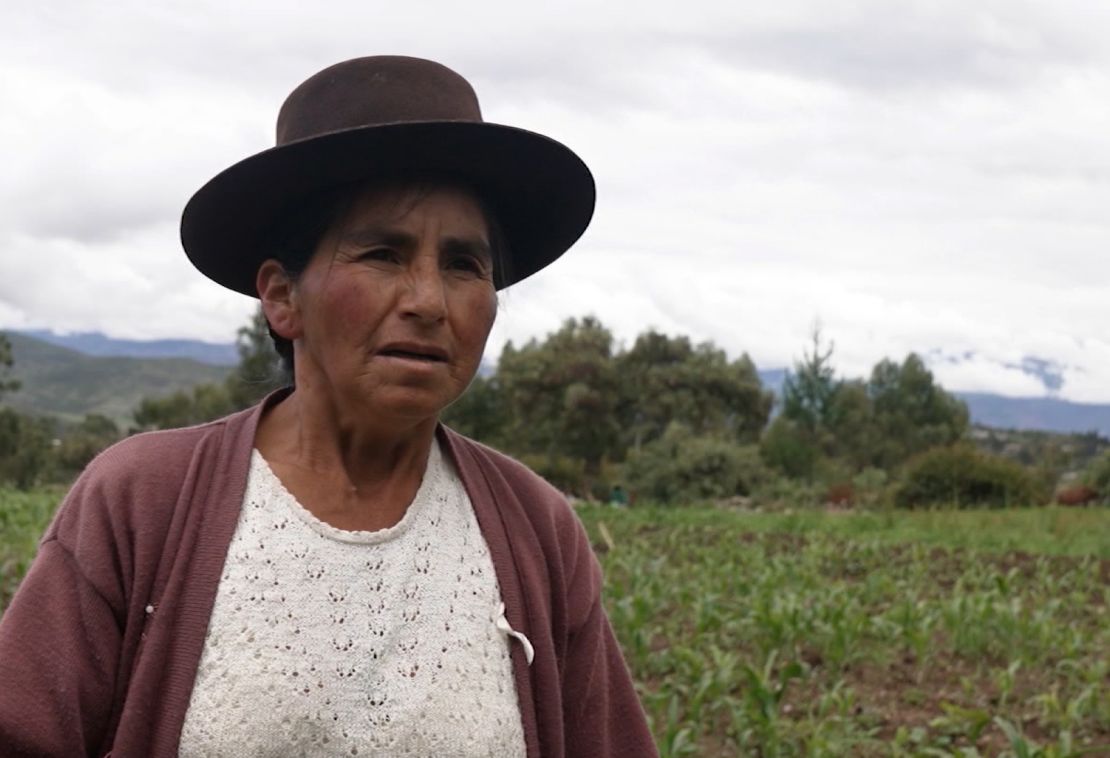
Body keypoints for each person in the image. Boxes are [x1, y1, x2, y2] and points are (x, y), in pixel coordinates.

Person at [0, 56, 656, 757]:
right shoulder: (141, 502)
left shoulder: (537, 530)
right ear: (282, 297)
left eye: (465, 264)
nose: (430, 302)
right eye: (382, 254)